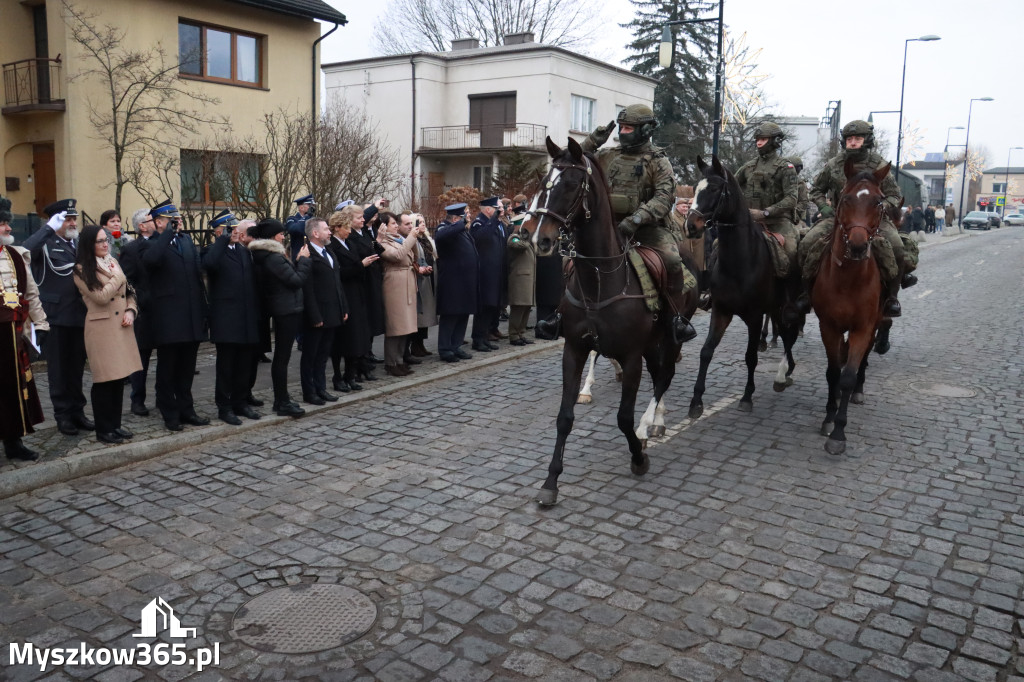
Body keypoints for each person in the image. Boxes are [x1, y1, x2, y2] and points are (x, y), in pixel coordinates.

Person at [541, 104, 696, 343]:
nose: (623, 132)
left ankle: (675, 318)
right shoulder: (608, 155)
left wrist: (636, 219)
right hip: (608, 227)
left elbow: (664, 197)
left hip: (648, 229)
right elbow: (572, 162)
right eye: (621, 127)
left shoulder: (658, 160)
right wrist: (593, 141)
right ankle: (562, 314)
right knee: (570, 260)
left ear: (644, 130)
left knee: (672, 259)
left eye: (628, 128)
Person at [798, 120, 910, 318]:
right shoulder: (834, 165)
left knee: (897, 246)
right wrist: (824, 207)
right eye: (850, 139)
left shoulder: (879, 165)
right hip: (839, 219)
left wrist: (880, 207)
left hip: (874, 220)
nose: (853, 142)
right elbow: (816, 190)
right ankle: (805, 292)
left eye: (858, 138)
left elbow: (894, 195)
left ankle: (892, 297)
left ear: (867, 140)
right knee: (807, 243)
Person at [21, 198, 93, 436]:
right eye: (67, 219)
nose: (72, 223)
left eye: (74, 218)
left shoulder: (77, 243)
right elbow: (24, 252)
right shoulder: (45, 242)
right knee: (59, 371)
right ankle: (63, 415)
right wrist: (48, 228)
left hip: (79, 315)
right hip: (56, 317)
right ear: (56, 221)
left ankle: (78, 411)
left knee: (76, 368)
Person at [142, 199, 210, 431]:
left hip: (190, 315)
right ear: (159, 222)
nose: (178, 222)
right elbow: (151, 261)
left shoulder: (186, 240)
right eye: (172, 219)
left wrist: (203, 310)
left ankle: (186, 409)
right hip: (168, 318)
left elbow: (196, 275)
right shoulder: (151, 244)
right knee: (167, 369)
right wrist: (165, 236)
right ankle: (169, 412)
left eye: (177, 218)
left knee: (187, 368)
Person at [72, 224, 142, 444]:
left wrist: (131, 310)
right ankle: (103, 429)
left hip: (121, 326)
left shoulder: (112, 262)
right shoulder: (81, 269)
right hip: (101, 329)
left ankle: (116, 425)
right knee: (104, 380)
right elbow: (101, 296)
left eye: (106, 240)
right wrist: (118, 277)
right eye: (100, 241)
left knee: (119, 378)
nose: (105, 244)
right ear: (89, 244)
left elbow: (130, 292)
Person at [202, 210, 262, 426]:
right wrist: (221, 241)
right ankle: (224, 406)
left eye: (236, 228)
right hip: (227, 319)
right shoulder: (213, 251)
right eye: (230, 228)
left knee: (244, 363)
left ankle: (240, 401)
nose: (235, 232)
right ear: (219, 231)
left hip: (246, 317)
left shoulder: (243, 252)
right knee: (226, 366)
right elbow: (209, 265)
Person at [0, 197, 47, 461]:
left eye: (7, 222)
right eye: (3, 223)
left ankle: (13, 441)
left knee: (14, 387)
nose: (8, 228)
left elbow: (31, 292)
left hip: (13, 333)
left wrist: (40, 324)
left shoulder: (16, 255)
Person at [248, 219, 308, 417]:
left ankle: (282, 398)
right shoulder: (272, 258)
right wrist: (303, 261)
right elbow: (296, 280)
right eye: (282, 234)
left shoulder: (270, 255)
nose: (284, 237)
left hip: (286, 308)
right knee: (282, 358)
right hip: (285, 310)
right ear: (274, 236)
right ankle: (281, 401)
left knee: (283, 357)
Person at [734, 122, 801, 294]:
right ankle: (717, 292)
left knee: (792, 252)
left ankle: (792, 296)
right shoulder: (748, 167)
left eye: (763, 139)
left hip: (778, 221)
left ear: (774, 141)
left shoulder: (786, 167)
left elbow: (792, 198)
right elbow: (732, 187)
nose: (758, 143)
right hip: (749, 221)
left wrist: (766, 212)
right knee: (721, 246)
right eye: (757, 139)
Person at [299, 217, 347, 404]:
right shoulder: (307, 254)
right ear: (315, 233)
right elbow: (307, 288)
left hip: (333, 312)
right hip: (317, 313)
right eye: (326, 229)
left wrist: (343, 307)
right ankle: (309, 392)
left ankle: (321, 388)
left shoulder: (329, 252)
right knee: (311, 355)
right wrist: (314, 315)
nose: (330, 232)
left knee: (323, 355)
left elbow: (337, 283)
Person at [327, 206, 376, 392]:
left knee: (357, 338)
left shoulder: (351, 243)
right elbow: (339, 272)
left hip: (357, 293)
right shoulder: (332, 246)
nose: (349, 231)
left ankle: (351, 374)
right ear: (337, 228)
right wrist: (361, 266)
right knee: (343, 340)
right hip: (345, 295)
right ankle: (338, 377)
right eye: (346, 227)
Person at [119, 209, 156, 416]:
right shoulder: (131, 249)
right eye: (153, 220)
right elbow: (127, 281)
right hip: (143, 310)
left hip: (165, 309)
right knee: (141, 359)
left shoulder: (164, 243)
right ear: (142, 226)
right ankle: (137, 399)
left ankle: (165, 396)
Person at [378, 212, 422, 377]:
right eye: (392, 224)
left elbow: (413, 257)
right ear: (384, 227)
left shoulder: (400, 239)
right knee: (395, 325)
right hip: (394, 283)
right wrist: (411, 237)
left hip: (407, 280)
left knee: (406, 325)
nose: (396, 226)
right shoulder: (382, 242)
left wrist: (413, 238)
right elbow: (396, 256)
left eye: (396, 223)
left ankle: (400, 360)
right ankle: (391, 363)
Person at [434, 203, 478, 363]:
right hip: (452, 282)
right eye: (463, 216)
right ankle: (445, 349)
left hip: (465, 282)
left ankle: (456, 345)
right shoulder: (443, 228)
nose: (467, 219)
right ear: (455, 218)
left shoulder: (461, 230)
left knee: (463, 314)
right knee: (451, 316)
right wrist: (461, 223)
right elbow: (441, 237)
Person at [470, 197, 507, 352]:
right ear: (488, 209)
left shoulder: (496, 223)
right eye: (496, 208)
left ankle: (485, 336)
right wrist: (493, 220)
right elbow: (481, 238)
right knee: (484, 307)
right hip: (485, 273)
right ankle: (477, 339)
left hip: (496, 272)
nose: (500, 210)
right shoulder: (479, 222)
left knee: (492, 307)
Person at [505, 204, 536, 346]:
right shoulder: (514, 238)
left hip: (528, 279)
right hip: (519, 280)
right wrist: (526, 235)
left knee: (526, 308)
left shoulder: (525, 239)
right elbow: (520, 246)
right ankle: (513, 335)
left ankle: (521, 333)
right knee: (518, 308)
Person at [409, 212, 437, 358]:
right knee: (419, 316)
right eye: (419, 222)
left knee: (426, 314)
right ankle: (415, 345)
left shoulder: (426, 239)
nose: (423, 223)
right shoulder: (414, 240)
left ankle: (421, 344)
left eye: (423, 221)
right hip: (420, 279)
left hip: (429, 277)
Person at [285, 194, 316, 261]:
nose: (312, 207)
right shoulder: (292, 219)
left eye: (313, 205)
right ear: (301, 208)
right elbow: (296, 230)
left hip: (314, 257)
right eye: (309, 205)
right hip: (299, 257)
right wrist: (307, 217)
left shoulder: (314, 220)